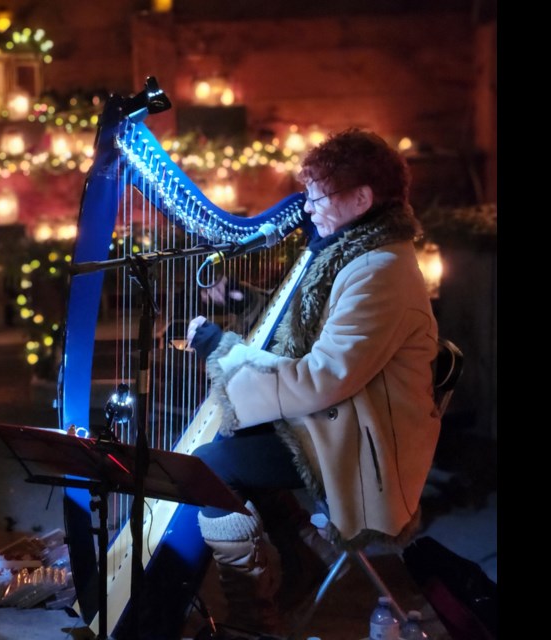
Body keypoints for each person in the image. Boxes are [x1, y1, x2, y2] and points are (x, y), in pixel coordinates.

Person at [185, 128, 440, 635]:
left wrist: (224, 351)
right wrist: (238, 300)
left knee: (210, 466)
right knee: (232, 439)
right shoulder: (349, 253)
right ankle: (305, 549)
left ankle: (253, 615)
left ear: (362, 198)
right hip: (340, 421)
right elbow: (301, 332)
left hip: (365, 444)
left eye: (318, 196)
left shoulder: (380, 269)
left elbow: (324, 376)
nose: (307, 208)